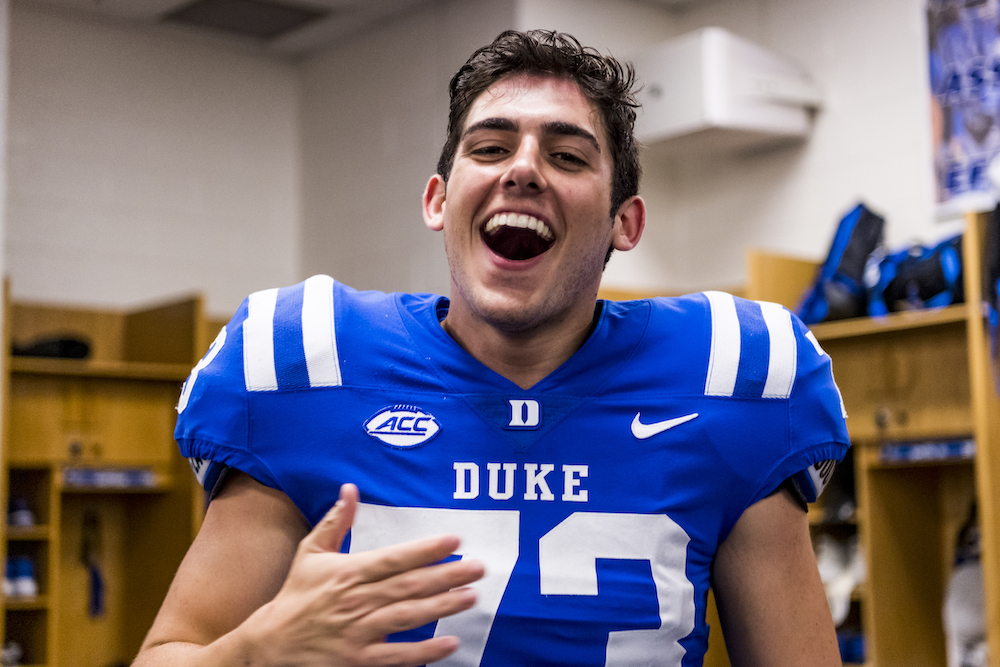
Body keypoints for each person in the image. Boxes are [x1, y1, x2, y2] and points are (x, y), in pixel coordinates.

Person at [134, 30, 849, 667]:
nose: (524, 168)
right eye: (490, 146)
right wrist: (261, 652)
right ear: (439, 200)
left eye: (568, 155)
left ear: (623, 224)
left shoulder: (730, 383)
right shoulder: (304, 368)